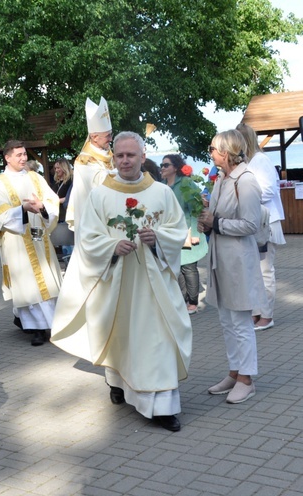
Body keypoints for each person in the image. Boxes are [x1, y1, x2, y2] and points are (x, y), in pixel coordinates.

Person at [51, 131, 192, 432]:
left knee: (157, 339)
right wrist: (111, 247)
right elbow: (88, 237)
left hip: (154, 284)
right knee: (119, 335)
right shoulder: (100, 194)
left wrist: (159, 239)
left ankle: (162, 406)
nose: (125, 160)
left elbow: (177, 230)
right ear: (113, 158)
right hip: (117, 279)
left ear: (143, 156)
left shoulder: (161, 193)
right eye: (120, 155)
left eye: (131, 155)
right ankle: (116, 381)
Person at [198, 129, 265, 404]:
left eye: (213, 149)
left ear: (226, 152)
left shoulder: (246, 181)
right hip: (220, 259)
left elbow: (251, 224)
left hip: (238, 260)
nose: (211, 153)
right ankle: (235, 371)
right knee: (227, 321)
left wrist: (217, 223)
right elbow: (219, 215)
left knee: (240, 322)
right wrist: (205, 220)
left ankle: (247, 379)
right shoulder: (223, 179)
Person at [0, 140, 63, 346]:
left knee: (47, 280)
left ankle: (52, 324)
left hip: (40, 239)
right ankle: (36, 328)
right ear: (7, 157)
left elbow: (52, 199)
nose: (23, 158)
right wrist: (22, 210)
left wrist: (42, 206)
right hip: (17, 242)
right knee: (28, 285)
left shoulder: (35, 177)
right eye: (18, 155)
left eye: (24, 154)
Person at [236, 123, 286, 331]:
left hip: (266, 223)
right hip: (255, 222)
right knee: (254, 272)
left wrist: (241, 196)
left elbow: (268, 191)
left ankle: (267, 315)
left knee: (265, 271)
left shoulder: (260, 161)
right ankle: (258, 313)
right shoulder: (249, 162)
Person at [161, 154, 208, 314]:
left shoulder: (186, 184)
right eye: (161, 165)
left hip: (187, 231)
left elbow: (197, 208)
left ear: (175, 167)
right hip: (168, 234)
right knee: (173, 267)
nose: (162, 168)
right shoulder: (162, 186)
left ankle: (193, 302)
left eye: (166, 165)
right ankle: (180, 299)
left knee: (188, 267)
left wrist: (197, 231)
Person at [66, 96, 114, 234]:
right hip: (93, 220)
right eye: (107, 136)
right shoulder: (84, 161)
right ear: (94, 137)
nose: (111, 139)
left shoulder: (109, 154)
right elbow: (101, 181)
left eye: (111, 134)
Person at [50, 158, 74, 256]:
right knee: (63, 244)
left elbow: (70, 198)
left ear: (64, 167)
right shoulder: (57, 182)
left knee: (69, 244)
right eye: (55, 168)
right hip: (59, 215)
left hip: (67, 214)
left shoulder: (71, 181)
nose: (56, 170)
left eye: (58, 167)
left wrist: (57, 201)